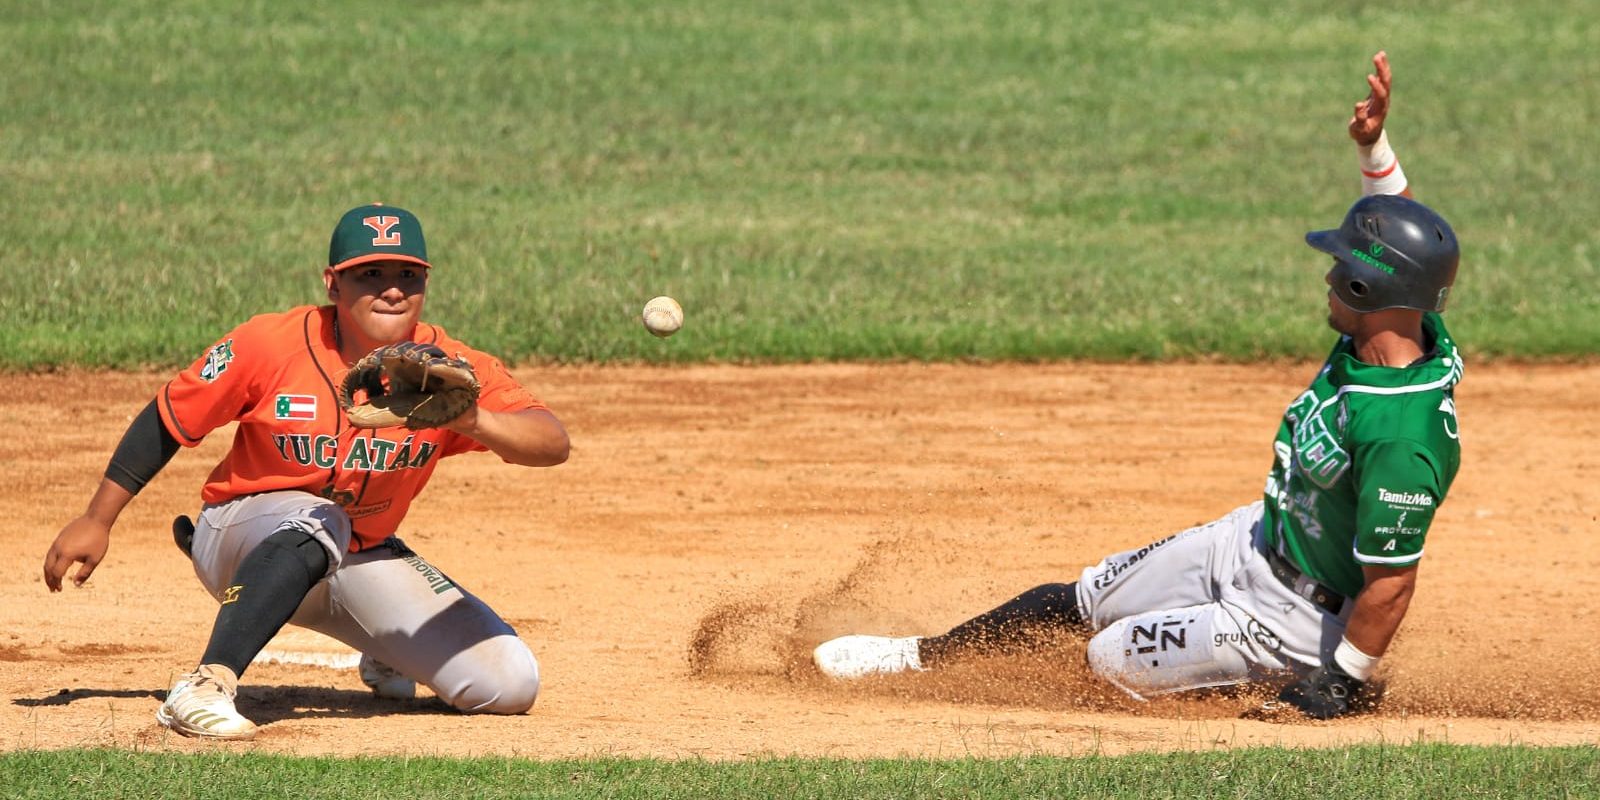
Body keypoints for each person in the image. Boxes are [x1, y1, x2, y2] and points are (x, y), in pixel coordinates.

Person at [811, 52, 1462, 720]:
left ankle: (1282, 673)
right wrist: (1374, 144)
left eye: (1339, 267)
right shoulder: (1388, 332)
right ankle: (919, 656)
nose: (1328, 275)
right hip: (1253, 539)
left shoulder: (1401, 434)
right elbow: (1401, 239)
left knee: (1109, 659)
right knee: (1079, 599)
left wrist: (1344, 681)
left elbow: (1392, 582)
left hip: (1293, 620)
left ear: (1367, 288)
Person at [41, 203, 570, 739]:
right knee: (323, 518)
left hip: (356, 553)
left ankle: (385, 649)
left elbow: (551, 442)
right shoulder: (270, 344)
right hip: (239, 534)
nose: (392, 289)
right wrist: (98, 518)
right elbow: (169, 416)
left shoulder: (451, 367)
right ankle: (204, 685)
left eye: (408, 275)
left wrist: (473, 418)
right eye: (371, 274)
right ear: (333, 284)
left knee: (507, 682)